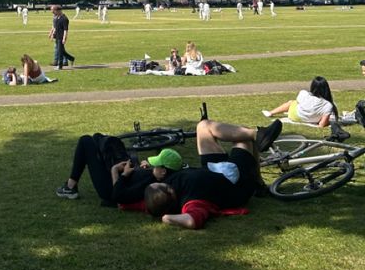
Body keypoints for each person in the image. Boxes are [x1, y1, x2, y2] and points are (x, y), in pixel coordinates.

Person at [143, 117, 283, 229]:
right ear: (170, 194)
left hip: (214, 168)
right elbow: (192, 221)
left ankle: (258, 134)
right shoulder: (191, 203)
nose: (164, 182)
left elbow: (136, 202)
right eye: (164, 186)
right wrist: (167, 218)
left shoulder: (160, 192)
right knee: (243, 137)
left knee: (203, 126)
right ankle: (258, 184)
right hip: (235, 180)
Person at [55, 134, 183, 203]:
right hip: (122, 177)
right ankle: (70, 186)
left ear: (163, 171)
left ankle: (70, 187)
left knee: (86, 141)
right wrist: (142, 168)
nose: (153, 166)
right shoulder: (158, 178)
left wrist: (116, 170)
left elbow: (117, 196)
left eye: (157, 165)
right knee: (97, 138)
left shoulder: (150, 184)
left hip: (109, 189)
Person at [262, 76, 340, 128]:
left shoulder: (304, 93)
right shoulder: (328, 105)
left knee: (291, 102)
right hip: (312, 119)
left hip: (294, 116)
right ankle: (271, 113)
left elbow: (298, 102)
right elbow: (322, 124)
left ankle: (271, 112)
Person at [49, 4, 75, 70]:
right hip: (57, 36)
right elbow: (55, 27)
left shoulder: (64, 19)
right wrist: (52, 34)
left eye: (54, 11)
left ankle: (60, 66)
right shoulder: (57, 17)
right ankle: (71, 58)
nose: (53, 13)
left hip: (61, 37)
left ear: (58, 10)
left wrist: (64, 38)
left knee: (60, 52)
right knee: (61, 51)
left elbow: (66, 30)